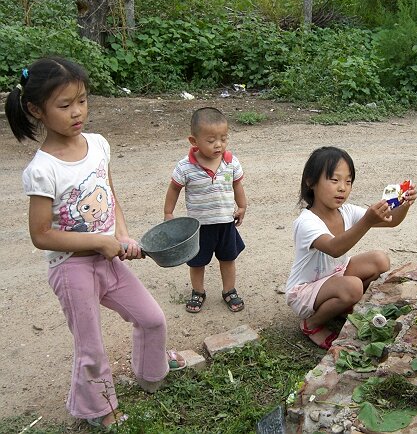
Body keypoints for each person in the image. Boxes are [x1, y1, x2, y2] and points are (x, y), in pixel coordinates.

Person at [5, 57, 186, 430]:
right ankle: (99, 408)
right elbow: (41, 235)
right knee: (91, 346)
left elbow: (110, 196)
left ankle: (151, 375)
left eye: (83, 101)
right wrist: (98, 242)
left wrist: (121, 235)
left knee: (151, 318)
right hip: (71, 269)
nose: (77, 112)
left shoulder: (99, 145)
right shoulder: (42, 169)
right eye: (65, 105)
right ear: (36, 110)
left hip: (108, 258)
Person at [286, 146, 417, 349]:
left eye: (348, 181)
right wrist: (366, 221)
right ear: (311, 182)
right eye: (335, 180)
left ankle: (341, 306)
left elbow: (390, 221)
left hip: (335, 276)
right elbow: (334, 248)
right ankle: (311, 323)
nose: (342, 188)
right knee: (354, 286)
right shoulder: (306, 222)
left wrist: (404, 204)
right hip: (306, 290)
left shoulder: (345, 211)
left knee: (380, 260)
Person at [164, 107, 247, 313]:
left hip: (226, 223)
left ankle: (229, 290)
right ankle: (198, 291)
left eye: (223, 138)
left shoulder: (230, 162)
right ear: (194, 141)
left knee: (228, 259)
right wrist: (168, 213)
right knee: (197, 262)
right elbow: (174, 188)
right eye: (211, 141)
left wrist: (242, 206)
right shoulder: (185, 167)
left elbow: (237, 185)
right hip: (199, 226)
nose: (218, 144)